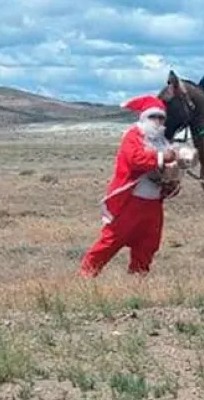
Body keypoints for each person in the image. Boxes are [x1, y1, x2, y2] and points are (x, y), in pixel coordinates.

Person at [78, 93, 182, 279]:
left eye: (161, 117)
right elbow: (134, 159)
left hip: (153, 202)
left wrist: (172, 183)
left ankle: (138, 277)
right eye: (153, 117)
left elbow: (169, 167)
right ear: (144, 118)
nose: (157, 121)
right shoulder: (133, 136)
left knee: (149, 242)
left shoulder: (163, 142)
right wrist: (160, 158)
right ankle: (87, 272)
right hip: (130, 200)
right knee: (112, 239)